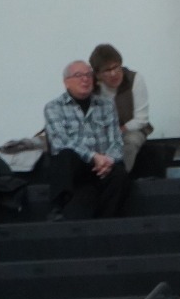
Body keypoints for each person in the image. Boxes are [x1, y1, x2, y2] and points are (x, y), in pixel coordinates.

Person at [43, 60, 130, 219]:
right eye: (78, 75)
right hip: (78, 166)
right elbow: (60, 141)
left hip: (103, 166)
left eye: (88, 74)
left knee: (120, 173)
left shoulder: (106, 105)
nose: (85, 79)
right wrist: (93, 157)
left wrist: (108, 160)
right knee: (65, 156)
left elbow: (116, 141)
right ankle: (58, 208)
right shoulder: (54, 107)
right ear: (66, 82)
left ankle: (107, 220)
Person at [90, 44, 152, 173]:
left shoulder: (134, 79)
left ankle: (119, 174)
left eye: (116, 67)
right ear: (98, 74)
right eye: (107, 70)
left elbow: (142, 119)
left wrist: (119, 130)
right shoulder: (91, 86)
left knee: (130, 141)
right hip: (101, 131)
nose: (114, 74)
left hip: (131, 129)